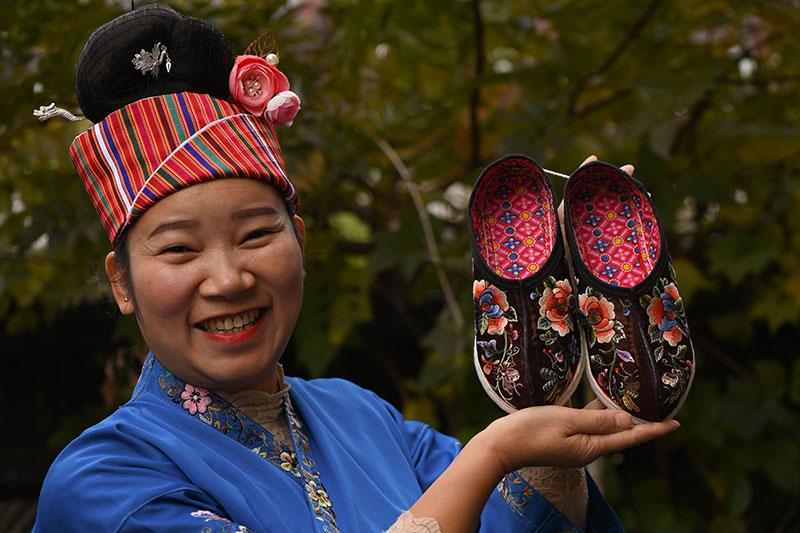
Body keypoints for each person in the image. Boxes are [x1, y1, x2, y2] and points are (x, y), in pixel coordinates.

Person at [33, 5, 678, 532]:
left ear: (300, 242)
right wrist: (495, 451)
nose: (229, 279)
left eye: (257, 234)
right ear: (122, 281)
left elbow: (511, 520)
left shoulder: (360, 416)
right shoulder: (103, 480)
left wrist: (554, 406)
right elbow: (475, 480)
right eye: (179, 249)